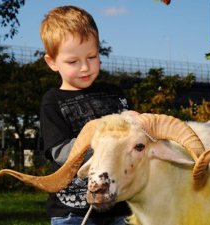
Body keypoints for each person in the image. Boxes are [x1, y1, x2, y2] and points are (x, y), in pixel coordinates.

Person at [39, 5, 131, 225]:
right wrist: (105, 143)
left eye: (92, 56)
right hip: (72, 211)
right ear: (52, 62)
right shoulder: (52, 101)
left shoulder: (115, 94)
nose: (85, 67)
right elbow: (60, 151)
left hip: (120, 206)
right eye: (73, 61)